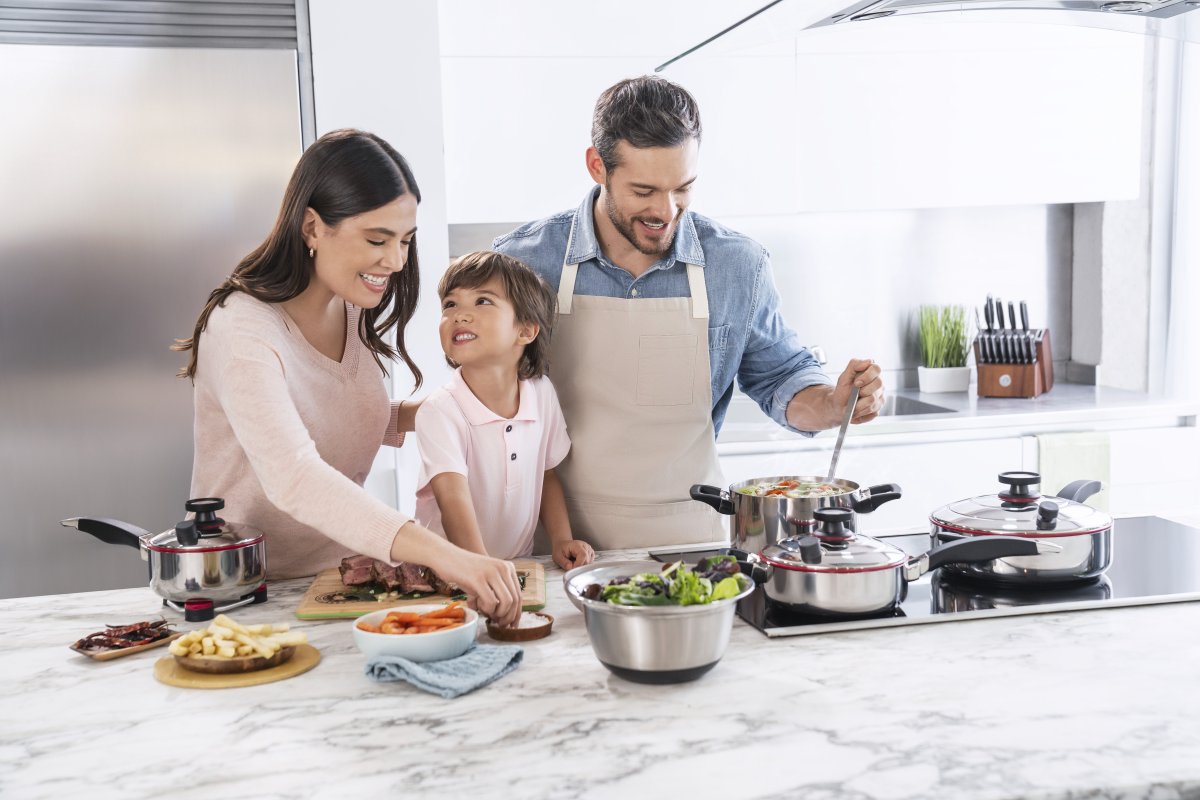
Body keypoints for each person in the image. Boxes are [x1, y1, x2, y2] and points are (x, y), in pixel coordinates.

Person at [493, 75, 885, 550]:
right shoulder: (524, 260)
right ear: (597, 166)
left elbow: (780, 374)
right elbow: (486, 397)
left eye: (683, 188)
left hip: (688, 540)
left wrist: (830, 405)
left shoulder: (736, 264)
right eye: (643, 191)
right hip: (551, 539)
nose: (666, 210)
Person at [174, 129, 522, 625]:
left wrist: (459, 411)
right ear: (313, 228)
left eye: (405, 241)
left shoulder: (350, 306)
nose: (397, 261)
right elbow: (295, 476)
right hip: (250, 599)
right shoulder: (242, 330)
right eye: (377, 240)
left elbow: (339, 416)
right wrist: (445, 554)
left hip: (339, 588)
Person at [413, 251, 595, 571]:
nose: (460, 315)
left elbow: (547, 474)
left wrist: (561, 539)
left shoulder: (541, 395)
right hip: (445, 572)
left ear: (526, 330)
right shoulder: (440, 411)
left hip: (513, 567)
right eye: (450, 304)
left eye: (482, 301)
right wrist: (481, 569)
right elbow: (452, 499)